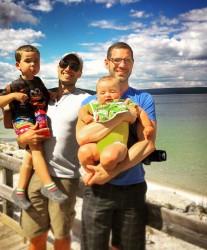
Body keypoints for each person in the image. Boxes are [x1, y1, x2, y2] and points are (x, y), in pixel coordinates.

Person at [76, 42, 157, 250]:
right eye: (116, 59)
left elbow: (148, 144)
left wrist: (110, 172)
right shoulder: (91, 102)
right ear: (107, 63)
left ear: (132, 63)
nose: (122, 64)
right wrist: (120, 117)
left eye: (127, 60)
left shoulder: (142, 99)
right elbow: (82, 137)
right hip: (97, 190)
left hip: (132, 189)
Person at [17, 52, 90, 250]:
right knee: (36, 235)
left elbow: (106, 116)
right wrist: (21, 138)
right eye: (64, 64)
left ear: (80, 73)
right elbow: (22, 125)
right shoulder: (42, 97)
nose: (68, 68)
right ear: (58, 67)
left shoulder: (86, 99)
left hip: (65, 178)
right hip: (36, 175)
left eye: (74, 66)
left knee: (61, 235)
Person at [0, 45, 68, 210]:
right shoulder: (15, 85)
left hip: (37, 117)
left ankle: (19, 191)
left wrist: (52, 95)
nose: (33, 64)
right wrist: (13, 96)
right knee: (37, 148)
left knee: (30, 155)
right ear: (17, 65)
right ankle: (49, 187)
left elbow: (43, 92)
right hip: (22, 119)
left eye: (36, 61)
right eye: (28, 61)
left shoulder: (38, 81)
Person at [78, 75, 154, 184]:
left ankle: (106, 171)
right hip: (97, 145)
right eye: (102, 93)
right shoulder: (95, 105)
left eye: (112, 91)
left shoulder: (123, 104)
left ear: (120, 93)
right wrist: (86, 117)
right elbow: (82, 110)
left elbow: (140, 112)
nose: (107, 95)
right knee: (83, 151)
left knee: (109, 156)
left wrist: (148, 126)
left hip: (117, 144)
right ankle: (90, 172)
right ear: (97, 95)